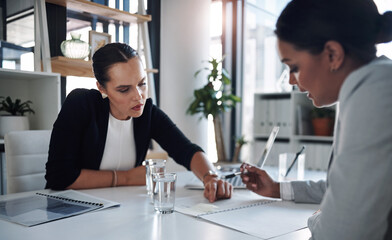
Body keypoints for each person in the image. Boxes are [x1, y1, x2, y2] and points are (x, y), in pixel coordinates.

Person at [240, 0, 392, 239]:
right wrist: (277, 189)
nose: (292, 81)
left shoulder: (376, 94)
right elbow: (342, 188)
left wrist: (317, 218)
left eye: (294, 67)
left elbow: (343, 230)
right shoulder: (367, 86)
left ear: (333, 55)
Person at [45, 42, 232, 203]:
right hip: (73, 209)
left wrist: (211, 177)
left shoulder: (147, 112)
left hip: (122, 205)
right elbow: (59, 176)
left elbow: (186, 150)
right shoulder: (81, 104)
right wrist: (126, 178)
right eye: (124, 89)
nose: (138, 97)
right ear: (102, 88)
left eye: (142, 83)